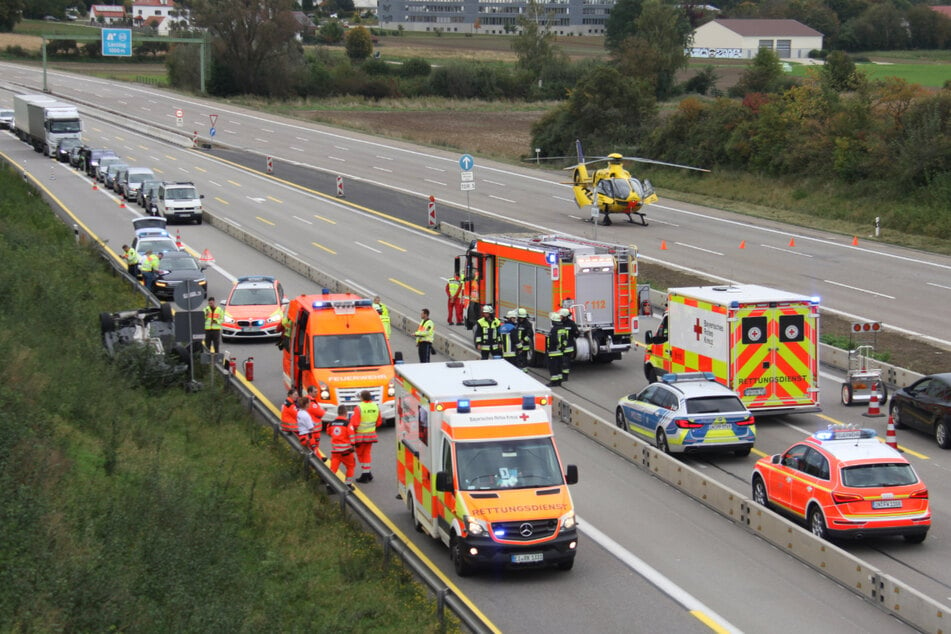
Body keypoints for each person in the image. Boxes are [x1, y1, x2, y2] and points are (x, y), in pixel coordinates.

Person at [350, 390, 381, 482]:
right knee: (367, 453)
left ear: (362, 397)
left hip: (360, 435)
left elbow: (355, 423)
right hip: (371, 434)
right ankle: (367, 472)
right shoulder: (376, 406)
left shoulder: (359, 407)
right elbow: (379, 422)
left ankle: (365, 474)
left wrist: (351, 431)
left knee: (360, 454)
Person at [326, 405, 356, 490]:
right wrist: (353, 446)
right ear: (345, 413)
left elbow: (329, 433)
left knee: (333, 468)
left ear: (338, 413)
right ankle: (348, 484)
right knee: (350, 466)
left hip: (335, 451)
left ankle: (329, 485)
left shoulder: (331, 423)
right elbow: (351, 435)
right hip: (346, 451)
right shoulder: (347, 424)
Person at [559, 307, 579, 381]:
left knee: (565, 362)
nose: (560, 317)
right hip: (561, 347)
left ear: (565, 316)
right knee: (560, 362)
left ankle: (565, 377)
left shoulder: (571, 323)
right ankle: (561, 375)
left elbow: (576, 334)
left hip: (568, 347)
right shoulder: (559, 323)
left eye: (561, 316)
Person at [306, 385, 326, 455]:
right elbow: (321, 413)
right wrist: (322, 410)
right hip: (313, 429)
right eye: (315, 392)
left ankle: (319, 458)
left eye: (317, 392)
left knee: (314, 447)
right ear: (310, 392)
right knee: (313, 447)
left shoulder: (308, 400)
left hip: (313, 429)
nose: (316, 393)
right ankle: (319, 459)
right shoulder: (311, 402)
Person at [547, 312, 564, 387]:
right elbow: (565, 339)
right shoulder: (562, 328)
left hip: (553, 351)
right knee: (559, 367)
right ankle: (559, 381)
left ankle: (554, 382)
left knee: (553, 367)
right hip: (560, 352)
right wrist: (561, 347)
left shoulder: (554, 330)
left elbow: (553, 340)